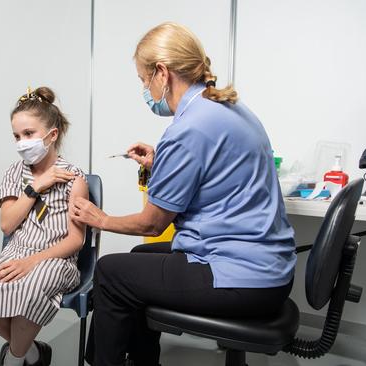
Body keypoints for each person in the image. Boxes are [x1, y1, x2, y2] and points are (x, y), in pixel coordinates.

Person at [70, 22, 297, 366]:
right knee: (136, 259)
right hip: (267, 268)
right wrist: (162, 160)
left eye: (144, 80)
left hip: (240, 276)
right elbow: (216, 172)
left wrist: (99, 218)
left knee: (110, 273)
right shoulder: (229, 109)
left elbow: (152, 223)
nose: (146, 89)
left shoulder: (188, 128)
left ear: (162, 72)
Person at [0, 86, 88, 366]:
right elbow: (7, 225)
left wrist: (31, 263)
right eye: (17, 136)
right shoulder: (14, 173)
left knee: (28, 289)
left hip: (56, 258)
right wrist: (35, 187)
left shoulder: (74, 177)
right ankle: (31, 353)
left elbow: (76, 240)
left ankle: (15, 359)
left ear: (52, 135)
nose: (21, 142)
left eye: (28, 134)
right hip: (15, 253)